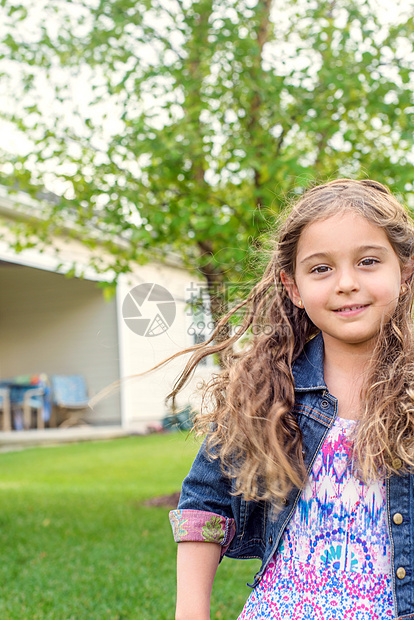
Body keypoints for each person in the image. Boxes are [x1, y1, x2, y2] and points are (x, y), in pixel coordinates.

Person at [168, 179, 414, 620]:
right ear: (293, 287)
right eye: (321, 269)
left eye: (369, 261)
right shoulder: (264, 390)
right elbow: (205, 501)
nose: (346, 283)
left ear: (406, 271)